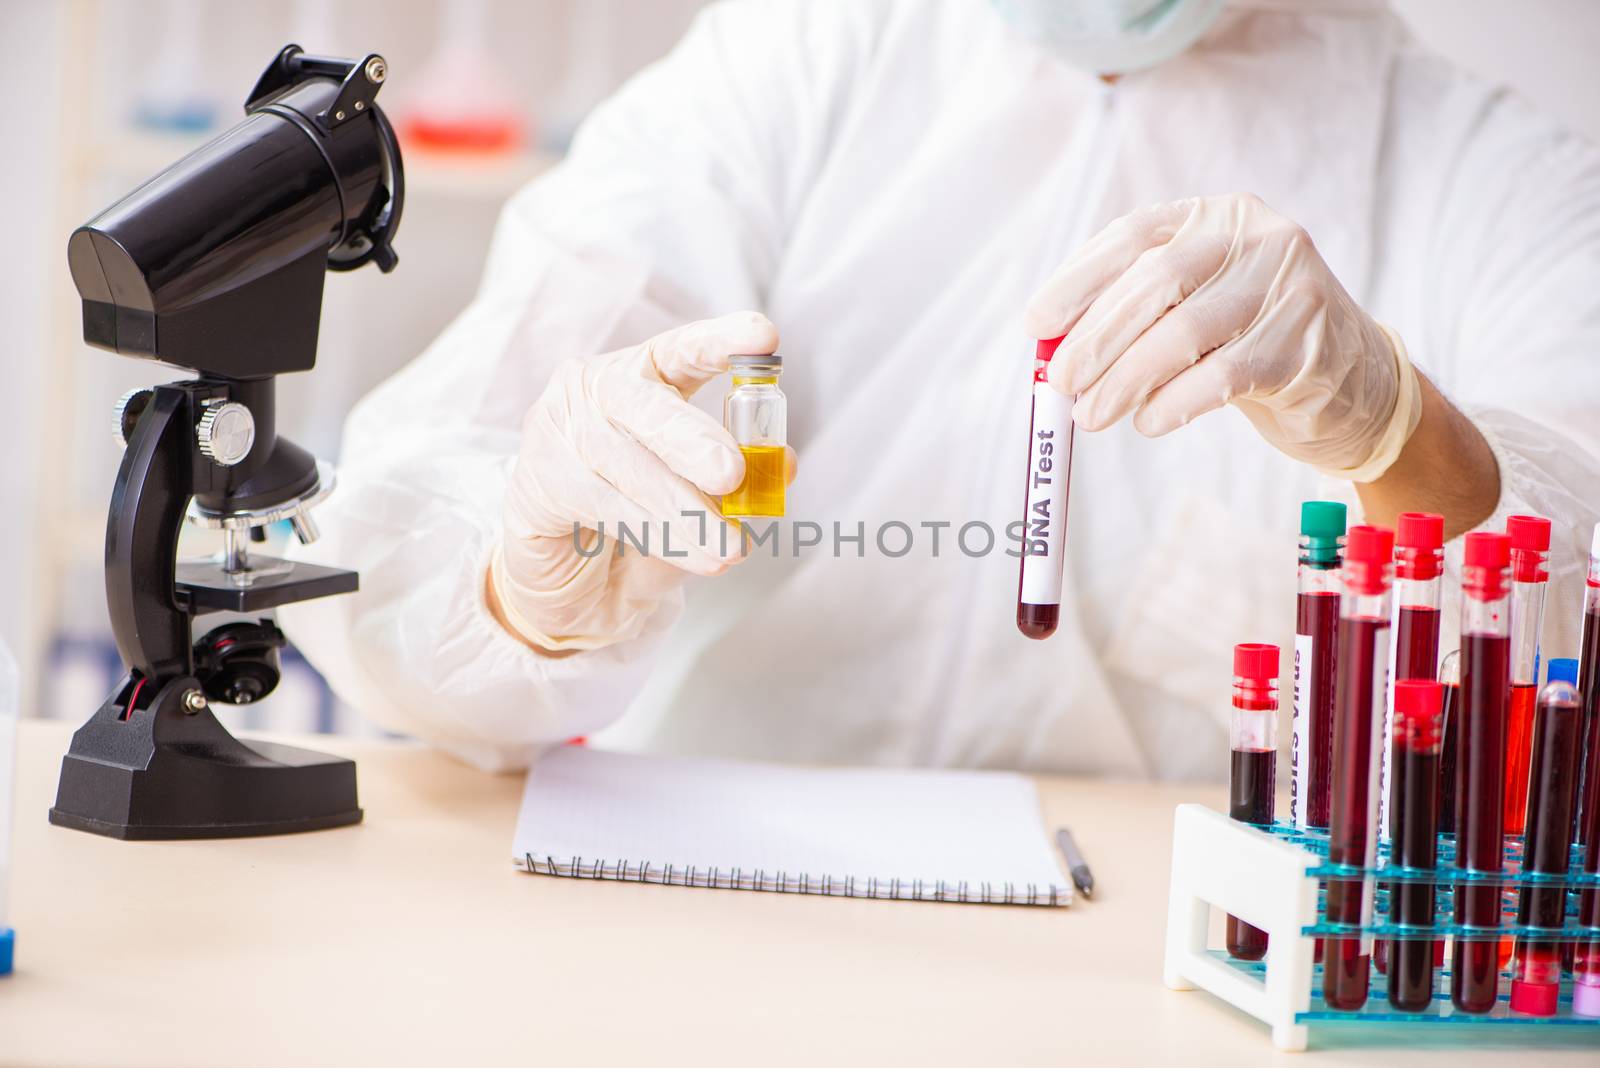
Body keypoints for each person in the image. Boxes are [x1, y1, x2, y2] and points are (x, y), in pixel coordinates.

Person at [281, 0, 1600, 777]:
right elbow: (419, 510)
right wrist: (529, 587)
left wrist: (1405, 437)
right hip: (710, 904)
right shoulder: (800, 59)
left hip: (1167, 979)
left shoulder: (1488, 178)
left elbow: (1561, 654)